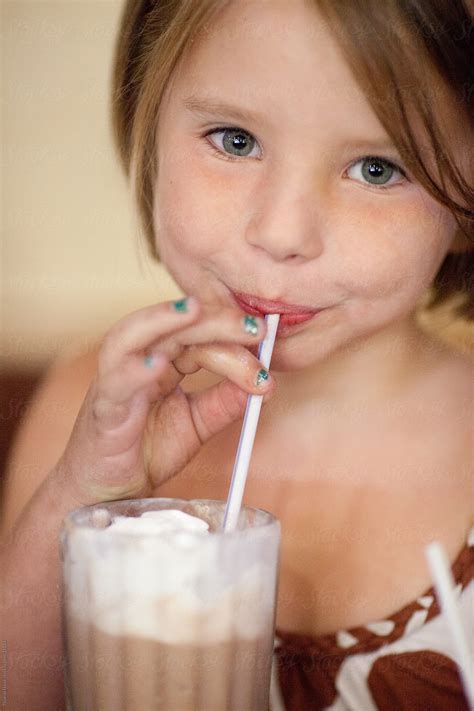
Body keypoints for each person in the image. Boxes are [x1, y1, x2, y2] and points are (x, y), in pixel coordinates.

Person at [1, 1, 473, 708]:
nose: (283, 232)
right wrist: (80, 492)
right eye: (235, 140)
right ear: (149, 120)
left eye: (377, 168)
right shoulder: (86, 405)